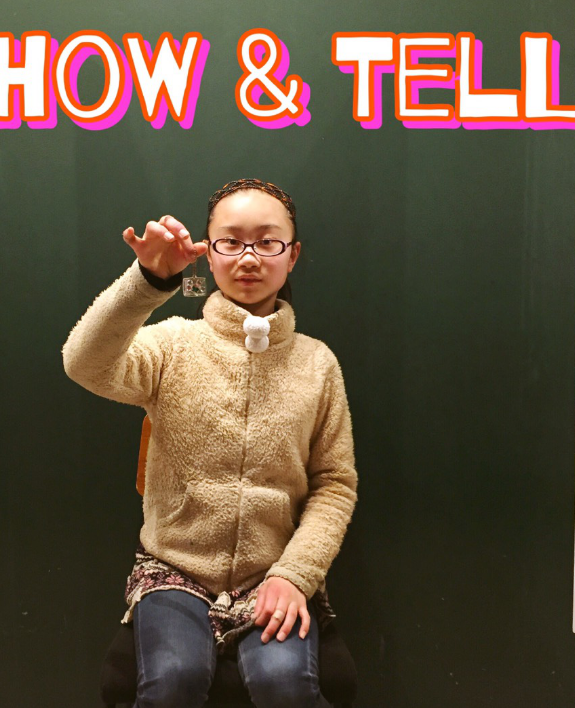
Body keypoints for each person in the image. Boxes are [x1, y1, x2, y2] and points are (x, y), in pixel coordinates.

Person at [62, 178, 357, 708]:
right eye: (231, 241)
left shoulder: (318, 363)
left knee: (284, 685)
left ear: (292, 256)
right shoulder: (172, 344)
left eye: (268, 241)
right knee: (172, 679)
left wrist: (296, 575)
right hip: (174, 572)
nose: (249, 257)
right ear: (208, 251)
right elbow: (84, 363)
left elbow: (334, 484)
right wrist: (148, 281)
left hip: (273, 573)